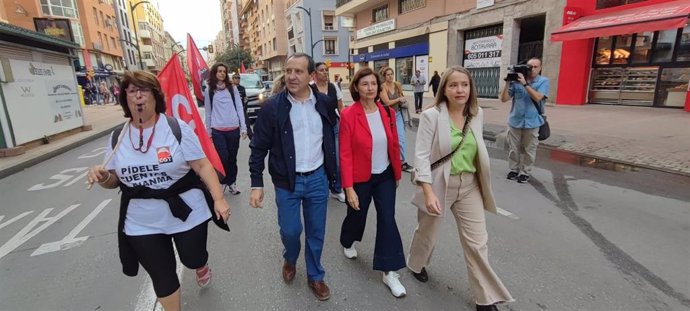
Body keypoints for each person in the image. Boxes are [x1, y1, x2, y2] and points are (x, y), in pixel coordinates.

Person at [87, 71, 231, 311]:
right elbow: (113, 181)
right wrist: (103, 177)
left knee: (193, 257)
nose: (138, 96)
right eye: (132, 91)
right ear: (125, 98)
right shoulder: (116, 138)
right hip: (141, 221)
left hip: (187, 211)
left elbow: (202, 165)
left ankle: (201, 265)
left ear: (155, 96)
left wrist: (218, 199)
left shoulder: (176, 128)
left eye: (144, 90)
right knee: (163, 277)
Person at [408, 66, 513, 311]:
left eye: (464, 84)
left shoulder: (476, 114)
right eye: (453, 85)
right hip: (439, 184)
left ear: (470, 88)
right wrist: (428, 191)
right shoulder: (431, 115)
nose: (460, 90)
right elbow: (422, 156)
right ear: (444, 89)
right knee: (427, 232)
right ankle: (416, 264)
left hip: (469, 186)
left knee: (477, 243)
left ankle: (485, 297)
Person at [248, 53, 338, 301]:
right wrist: (256, 183)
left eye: (298, 71)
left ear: (311, 76)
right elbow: (258, 147)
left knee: (316, 231)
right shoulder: (273, 107)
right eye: (288, 71)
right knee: (290, 231)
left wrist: (337, 175)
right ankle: (290, 258)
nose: (291, 76)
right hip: (287, 182)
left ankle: (315, 275)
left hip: (318, 178)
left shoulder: (325, 103)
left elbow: (333, 139)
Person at [339, 67, 407, 297]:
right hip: (360, 177)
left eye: (373, 84)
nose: (370, 88)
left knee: (387, 218)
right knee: (357, 214)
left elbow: (393, 144)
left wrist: (397, 173)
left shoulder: (386, 112)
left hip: (385, 175)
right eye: (365, 84)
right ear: (357, 87)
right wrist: (348, 188)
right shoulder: (349, 114)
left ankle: (389, 271)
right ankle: (347, 240)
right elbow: (345, 153)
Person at [499, 57, 549, 184]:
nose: (531, 69)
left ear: (540, 68)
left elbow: (538, 97)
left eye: (535, 67)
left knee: (529, 149)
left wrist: (525, 84)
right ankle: (514, 169)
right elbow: (504, 99)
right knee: (513, 148)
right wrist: (508, 82)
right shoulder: (516, 82)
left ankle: (525, 172)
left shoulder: (543, 81)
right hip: (515, 120)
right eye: (529, 66)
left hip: (533, 121)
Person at [205, 63, 247, 195]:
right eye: (219, 71)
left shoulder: (232, 89)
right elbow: (208, 112)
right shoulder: (209, 91)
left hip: (233, 128)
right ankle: (223, 182)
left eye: (224, 71)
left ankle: (232, 183)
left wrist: (243, 127)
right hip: (218, 130)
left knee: (232, 158)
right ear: (214, 73)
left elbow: (239, 108)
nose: (222, 73)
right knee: (223, 157)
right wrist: (209, 132)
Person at [311, 62, 346, 203]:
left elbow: (341, 107)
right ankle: (321, 188)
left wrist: (346, 123)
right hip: (317, 128)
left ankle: (336, 189)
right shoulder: (310, 88)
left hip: (333, 125)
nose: (325, 72)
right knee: (320, 159)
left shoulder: (334, 87)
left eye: (326, 70)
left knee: (336, 159)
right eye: (321, 70)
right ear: (315, 73)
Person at [379, 67, 413, 173]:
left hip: (397, 114)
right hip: (386, 115)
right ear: (384, 76)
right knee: (388, 139)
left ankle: (402, 162)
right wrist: (398, 99)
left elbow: (402, 96)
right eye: (388, 74)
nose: (390, 76)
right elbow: (387, 102)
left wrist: (403, 100)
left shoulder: (397, 85)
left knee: (401, 139)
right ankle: (389, 160)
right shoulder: (382, 87)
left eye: (392, 74)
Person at [231, 73, 253, 138]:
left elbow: (245, 98)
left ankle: (254, 143)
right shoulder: (230, 88)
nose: (238, 79)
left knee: (247, 126)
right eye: (236, 78)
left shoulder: (242, 88)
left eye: (239, 78)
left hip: (242, 110)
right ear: (233, 79)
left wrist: (245, 104)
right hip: (233, 111)